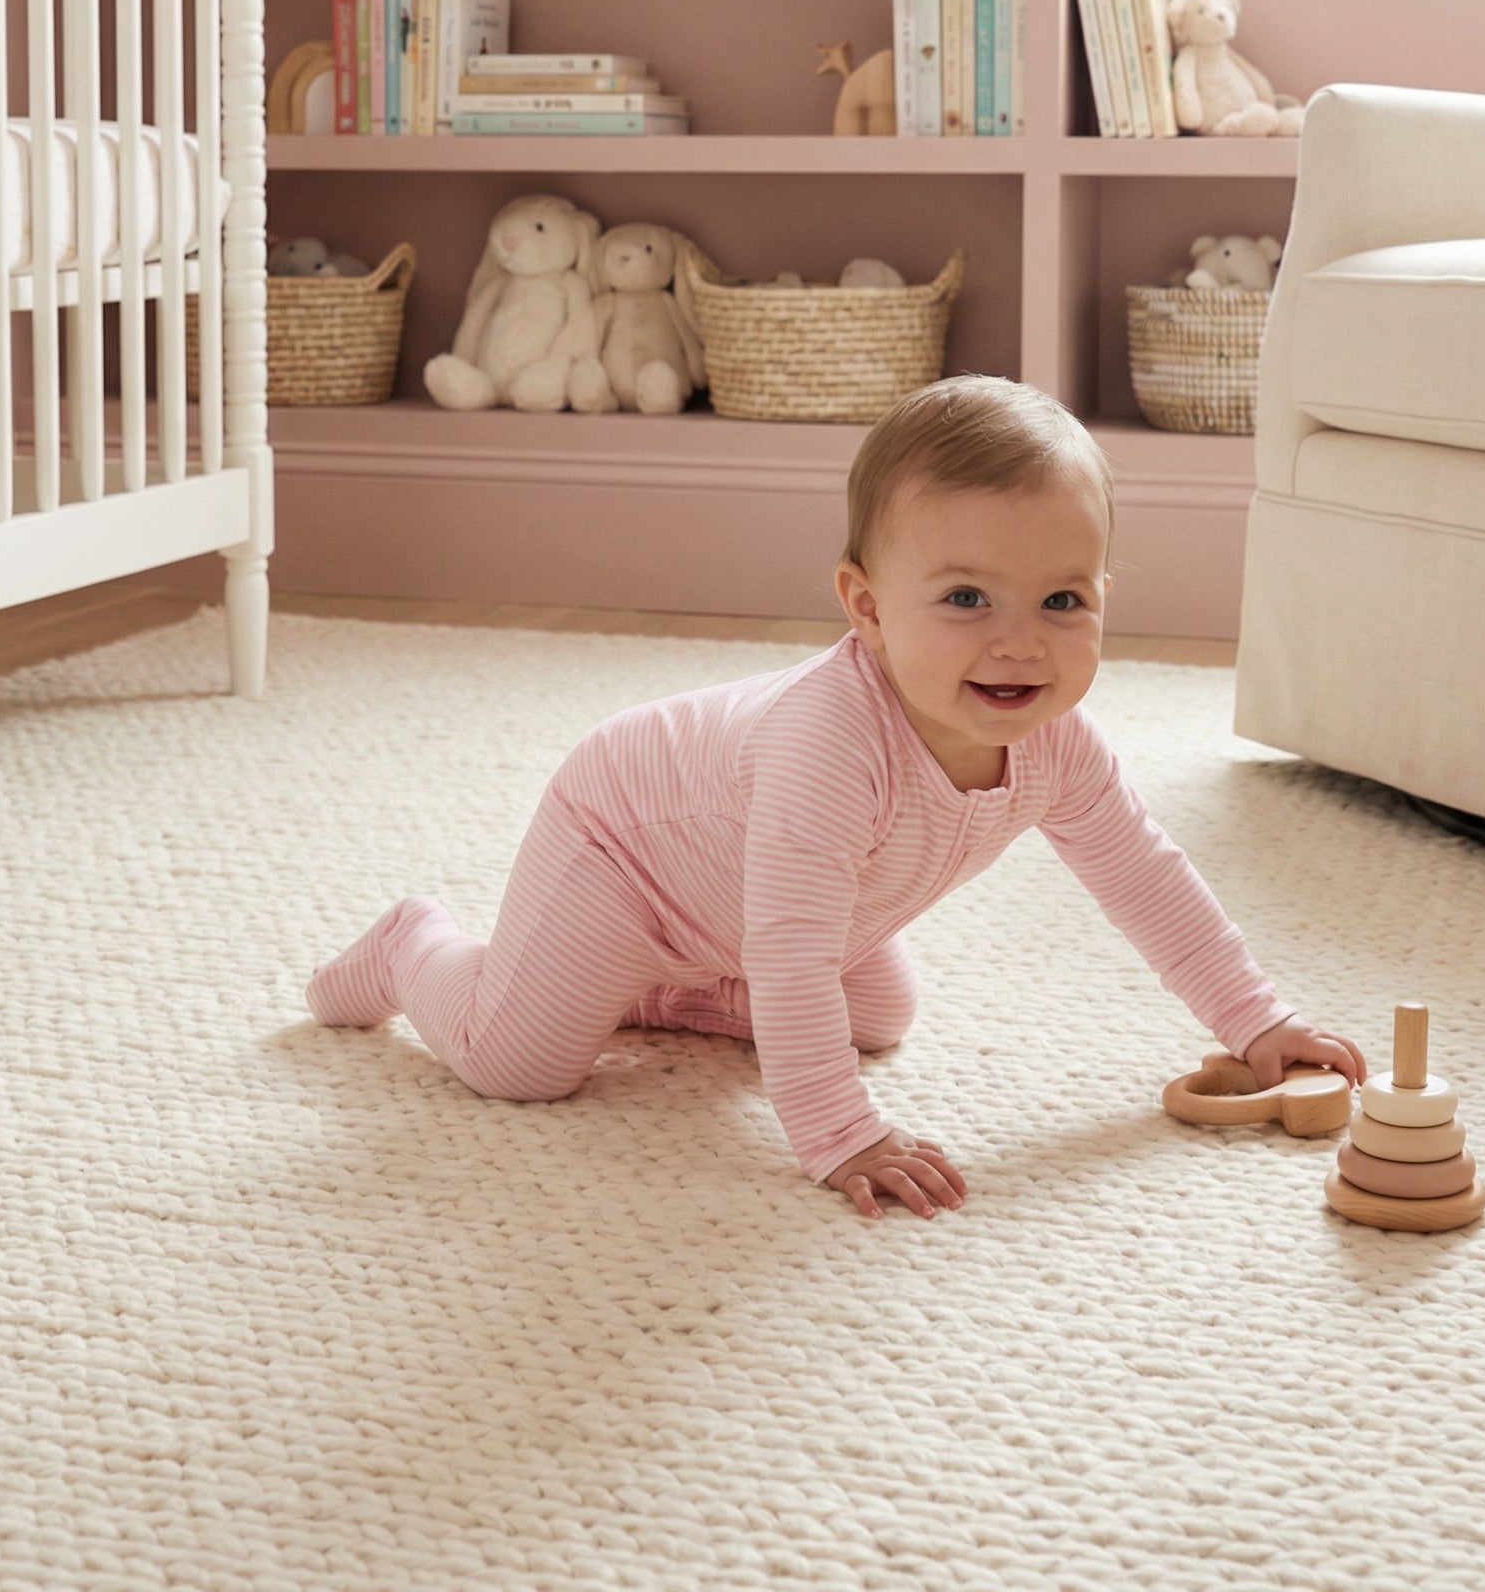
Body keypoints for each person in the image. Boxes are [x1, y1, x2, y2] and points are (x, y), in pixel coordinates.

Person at [307, 374, 1365, 1218]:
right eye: (963, 598)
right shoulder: (828, 746)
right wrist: (837, 1131)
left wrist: (1255, 1020)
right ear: (863, 605)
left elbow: (1144, 876)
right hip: (624, 852)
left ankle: (663, 986)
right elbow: (790, 945)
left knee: (876, 1011)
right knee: (520, 1062)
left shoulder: (1055, 741)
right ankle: (415, 943)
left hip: (764, 902)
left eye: (1061, 599)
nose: (1017, 639)